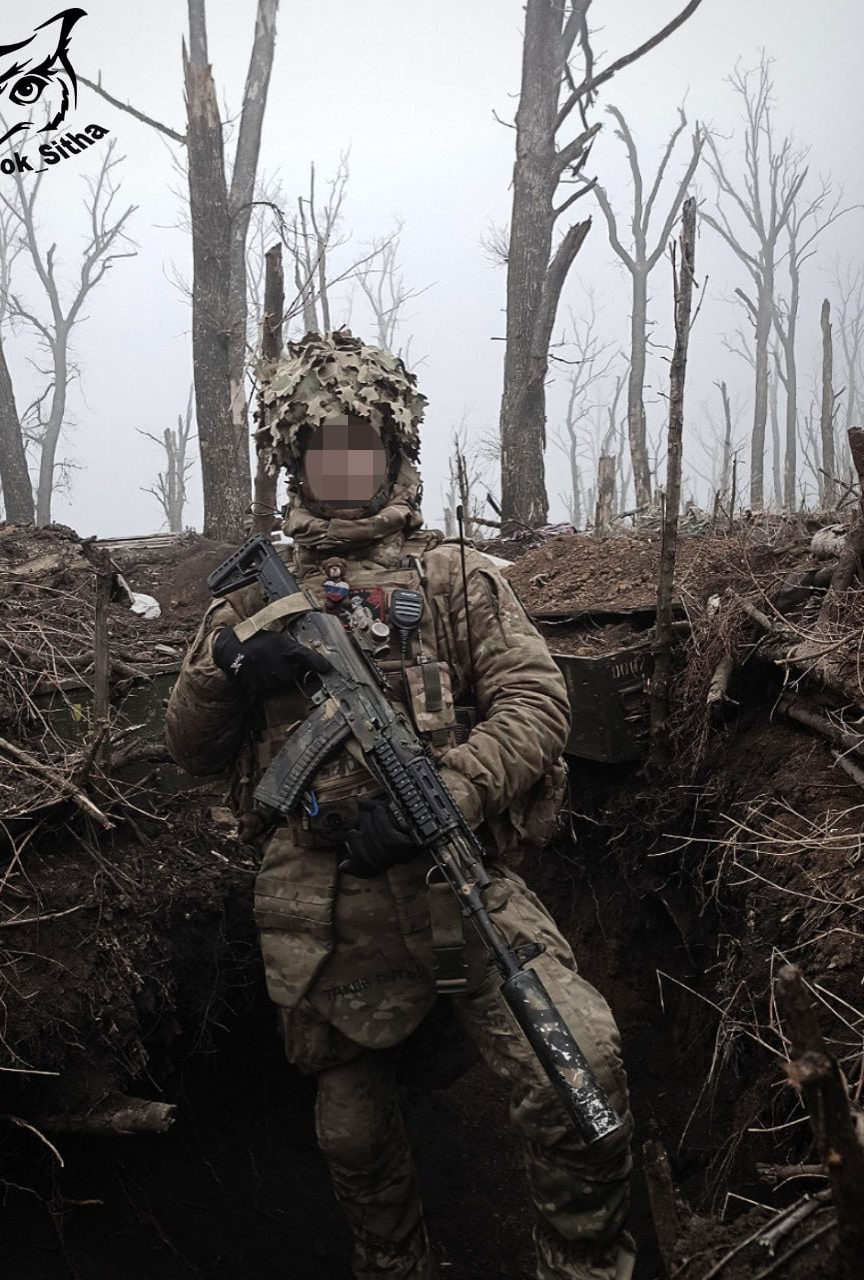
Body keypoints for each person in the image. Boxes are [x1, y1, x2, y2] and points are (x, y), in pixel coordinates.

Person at [165, 330, 634, 1280]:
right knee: (349, 1133)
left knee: (579, 1067)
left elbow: (539, 700)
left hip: (460, 882)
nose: (343, 464)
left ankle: (583, 1266)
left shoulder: (456, 579)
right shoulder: (250, 603)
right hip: (321, 905)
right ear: (295, 460)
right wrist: (226, 673)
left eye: (361, 443)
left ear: (393, 450)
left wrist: (452, 790)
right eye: (322, 446)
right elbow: (187, 750)